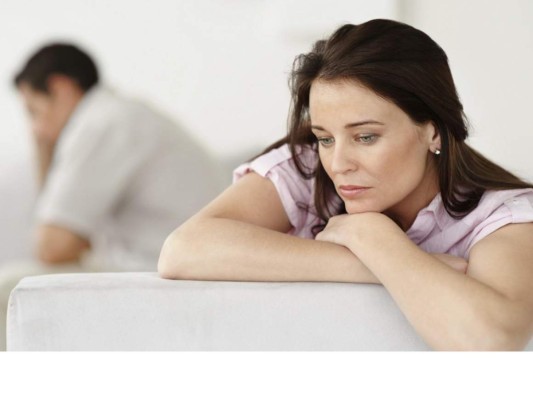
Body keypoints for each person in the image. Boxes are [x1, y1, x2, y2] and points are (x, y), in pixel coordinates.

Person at [158, 19, 533, 350]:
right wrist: (371, 260)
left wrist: (376, 238)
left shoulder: (503, 215)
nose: (338, 165)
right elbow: (183, 250)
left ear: (433, 131)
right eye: (325, 138)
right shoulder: (306, 169)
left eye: (366, 137)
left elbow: (490, 341)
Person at [1, 43, 223, 350]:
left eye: (33, 111)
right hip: (180, 270)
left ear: (61, 88)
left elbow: (52, 247)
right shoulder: (123, 113)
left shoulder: (100, 124)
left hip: (161, 274)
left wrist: (43, 147)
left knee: (8, 289)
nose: (36, 129)